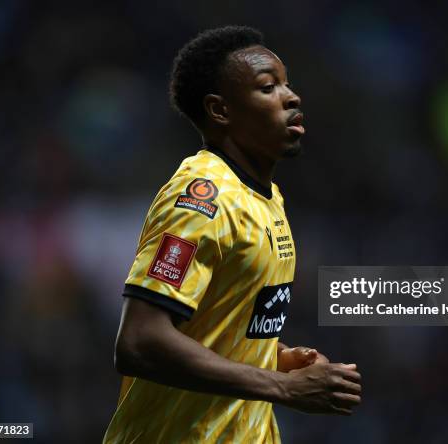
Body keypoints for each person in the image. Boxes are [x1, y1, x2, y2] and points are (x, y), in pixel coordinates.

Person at [103, 25, 361, 443]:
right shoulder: (201, 199)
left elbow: (212, 331)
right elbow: (139, 341)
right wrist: (282, 387)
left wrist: (276, 359)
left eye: (287, 83)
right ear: (221, 111)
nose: (291, 97)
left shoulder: (265, 198)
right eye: (267, 87)